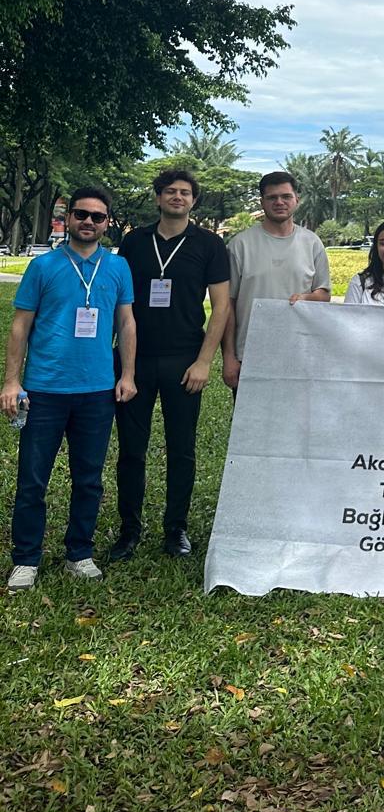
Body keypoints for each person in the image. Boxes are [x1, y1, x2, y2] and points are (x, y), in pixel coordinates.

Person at [2, 187, 137, 590]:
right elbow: (20, 326)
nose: (88, 222)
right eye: (81, 214)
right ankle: (26, 558)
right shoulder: (43, 267)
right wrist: (11, 381)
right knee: (32, 479)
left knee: (89, 478)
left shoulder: (118, 267)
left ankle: (79, 553)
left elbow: (126, 322)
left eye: (97, 216)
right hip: (44, 390)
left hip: (97, 391)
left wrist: (127, 375)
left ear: (107, 223)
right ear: (68, 218)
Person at [110, 168, 231, 561]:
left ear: (193, 200)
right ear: (158, 197)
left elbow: (222, 307)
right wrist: (122, 363)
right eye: (170, 191)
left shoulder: (209, 244)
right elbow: (119, 300)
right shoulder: (134, 241)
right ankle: (129, 531)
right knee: (131, 450)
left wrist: (204, 361)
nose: (178, 197)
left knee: (182, 449)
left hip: (184, 360)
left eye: (185, 192)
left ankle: (175, 529)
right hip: (135, 359)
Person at [222, 172, 331, 391]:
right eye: (272, 197)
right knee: (251, 414)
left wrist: (306, 298)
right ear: (262, 202)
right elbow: (228, 305)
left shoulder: (312, 243)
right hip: (251, 353)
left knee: (298, 413)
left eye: (286, 196)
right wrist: (229, 357)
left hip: (300, 352)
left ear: (296, 199)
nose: (279, 202)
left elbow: (324, 294)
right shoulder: (240, 245)